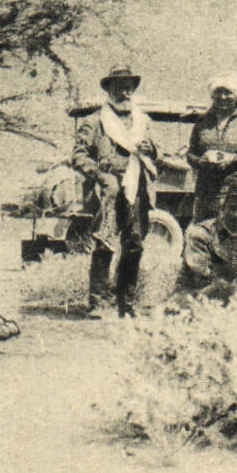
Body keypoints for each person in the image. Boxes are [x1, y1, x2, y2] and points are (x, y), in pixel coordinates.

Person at [71, 64, 160, 318]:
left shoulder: (143, 121)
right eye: (119, 87)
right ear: (108, 90)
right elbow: (78, 156)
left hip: (136, 187)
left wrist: (150, 148)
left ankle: (127, 304)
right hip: (107, 190)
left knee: (134, 244)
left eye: (129, 87)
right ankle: (98, 303)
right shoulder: (95, 122)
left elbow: (158, 152)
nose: (125, 92)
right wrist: (99, 174)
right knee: (104, 243)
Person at [174, 173, 237, 304]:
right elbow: (202, 277)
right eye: (231, 209)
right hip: (192, 298)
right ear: (222, 209)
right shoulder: (201, 234)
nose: (235, 216)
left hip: (226, 299)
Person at [186, 72, 237, 222]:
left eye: (228, 93)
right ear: (212, 95)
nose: (223, 97)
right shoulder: (202, 121)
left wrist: (234, 158)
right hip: (207, 192)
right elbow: (191, 154)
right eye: (218, 92)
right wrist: (201, 162)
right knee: (206, 235)